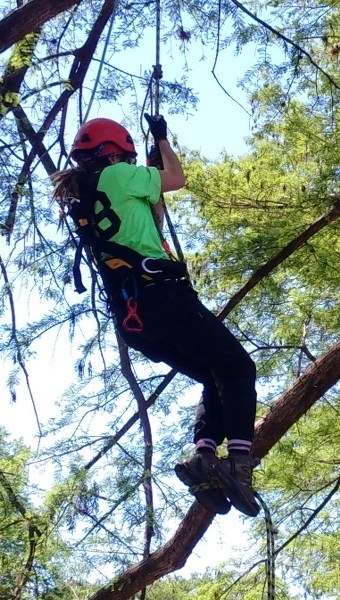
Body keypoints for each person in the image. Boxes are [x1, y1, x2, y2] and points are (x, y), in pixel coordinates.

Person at [52, 114, 260, 517]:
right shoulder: (122, 176)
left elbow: (154, 220)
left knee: (211, 374)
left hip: (136, 322)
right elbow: (176, 177)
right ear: (117, 152)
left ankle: (203, 457)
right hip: (163, 299)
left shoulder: (87, 195)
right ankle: (239, 463)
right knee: (238, 369)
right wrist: (162, 142)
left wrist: (151, 182)